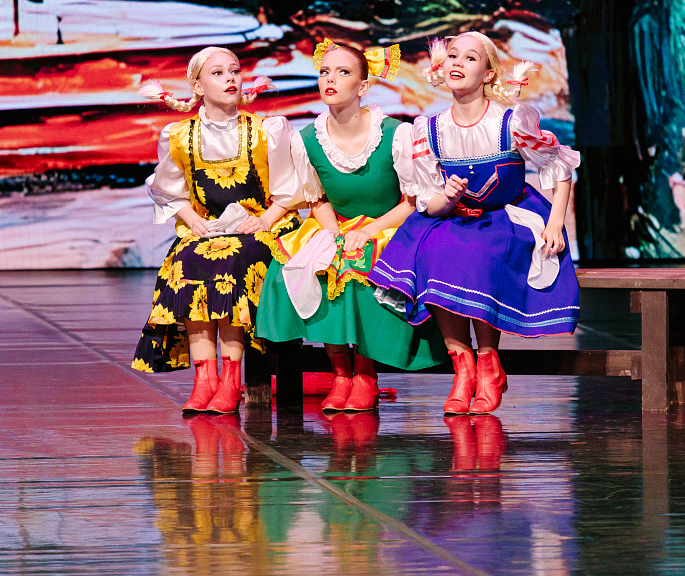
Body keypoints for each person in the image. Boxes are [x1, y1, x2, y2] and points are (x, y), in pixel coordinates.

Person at [370, 32, 581, 415]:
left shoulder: (510, 122)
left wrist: (554, 223)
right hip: (455, 216)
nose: (457, 63)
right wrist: (448, 197)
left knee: (481, 252)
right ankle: (462, 366)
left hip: (507, 215)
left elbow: (558, 165)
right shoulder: (429, 129)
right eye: (452, 56)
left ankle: (488, 363)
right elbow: (429, 201)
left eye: (469, 58)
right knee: (435, 249)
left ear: (487, 74)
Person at [256, 41, 447, 413]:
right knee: (317, 263)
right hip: (338, 225)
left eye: (343, 72)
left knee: (361, 264)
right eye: (325, 72)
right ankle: (340, 372)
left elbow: (411, 202)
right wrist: (334, 232)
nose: (330, 79)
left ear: (363, 86)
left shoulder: (395, 134)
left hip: (390, 226)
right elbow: (317, 199)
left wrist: (369, 231)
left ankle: (365, 373)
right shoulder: (306, 140)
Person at [131, 46, 302, 414]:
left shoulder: (265, 131)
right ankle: (204, 378)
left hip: (262, 228)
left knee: (231, 262)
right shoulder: (180, 135)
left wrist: (265, 220)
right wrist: (191, 219)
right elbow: (166, 189)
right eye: (218, 73)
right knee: (188, 262)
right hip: (208, 228)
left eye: (234, 71)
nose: (230, 79)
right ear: (198, 86)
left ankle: (230, 379)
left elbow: (290, 190)